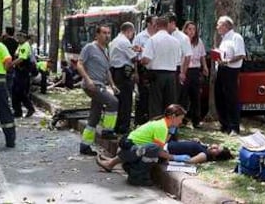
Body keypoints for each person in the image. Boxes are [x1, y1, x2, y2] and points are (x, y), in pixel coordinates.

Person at [95, 104, 189, 186]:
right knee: (155, 149)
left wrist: (170, 132)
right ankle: (137, 175)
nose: (181, 122)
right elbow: (159, 150)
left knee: (159, 153)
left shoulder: (162, 124)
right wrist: (176, 158)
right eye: (180, 119)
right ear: (173, 116)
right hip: (129, 150)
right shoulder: (162, 127)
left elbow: (162, 144)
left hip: (129, 149)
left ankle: (124, 167)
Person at [77, 25, 119, 156]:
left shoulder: (106, 50)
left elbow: (107, 71)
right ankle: (107, 130)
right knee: (113, 102)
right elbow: (79, 64)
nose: (107, 35)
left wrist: (112, 85)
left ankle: (85, 145)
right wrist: (87, 79)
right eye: (104, 33)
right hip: (92, 85)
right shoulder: (89, 47)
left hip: (101, 85)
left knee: (94, 116)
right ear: (97, 35)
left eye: (109, 33)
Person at [141, 16, 181, 119]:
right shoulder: (175, 41)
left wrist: (142, 62)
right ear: (167, 25)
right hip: (171, 74)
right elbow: (178, 60)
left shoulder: (152, 40)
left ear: (156, 26)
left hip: (156, 75)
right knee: (170, 104)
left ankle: (156, 129)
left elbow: (146, 59)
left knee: (155, 103)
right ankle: (171, 130)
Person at [215, 16, 246, 136]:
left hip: (231, 70)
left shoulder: (236, 37)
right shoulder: (224, 39)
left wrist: (227, 61)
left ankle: (234, 127)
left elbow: (241, 55)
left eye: (219, 25)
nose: (217, 27)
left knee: (231, 98)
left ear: (225, 26)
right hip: (222, 69)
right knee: (220, 97)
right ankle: (224, 124)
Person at [109, 22, 137, 134]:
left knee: (118, 99)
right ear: (128, 31)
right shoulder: (125, 42)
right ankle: (124, 126)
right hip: (124, 73)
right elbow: (134, 57)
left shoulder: (113, 41)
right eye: (132, 33)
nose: (132, 36)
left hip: (115, 72)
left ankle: (116, 124)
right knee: (126, 101)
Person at [180, 21, 208, 128]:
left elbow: (202, 56)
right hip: (184, 70)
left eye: (194, 29)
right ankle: (182, 120)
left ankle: (196, 120)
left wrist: (204, 66)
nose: (191, 32)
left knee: (195, 96)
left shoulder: (198, 42)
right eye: (189, 29)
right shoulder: (182, 40)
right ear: (185, 29)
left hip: (195, 70)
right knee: (183, 96)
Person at [133, 15, 157, 125]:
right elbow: (134, 55)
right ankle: (139, 119)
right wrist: (136, 71)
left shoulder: (159, 35)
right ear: (148, 23)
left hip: (155, 68)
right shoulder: (140, 37)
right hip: (143, 68)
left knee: (154, 95)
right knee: (143, 94)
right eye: (154, 21)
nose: (156, 23)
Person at [11, 31, 36, 118]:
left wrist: (11, 64)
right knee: (14, 92)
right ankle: (17, 111)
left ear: (25, 37)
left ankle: (30, 108)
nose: (18, 37)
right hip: (17, 71)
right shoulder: (20, 46)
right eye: (17, 35)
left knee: (20, 92)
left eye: (20, 36)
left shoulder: (25, 46)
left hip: (23, 72)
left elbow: (22, 58)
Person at [167, 140, 233, 164]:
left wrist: (174, 157)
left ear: (215, 156)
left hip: (167, 150)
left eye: (217, 150)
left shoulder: (204, 155)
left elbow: (189, 161)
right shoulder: (205, 148)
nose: (214, 147)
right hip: (168, 143)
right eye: (217, 146)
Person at [1, 27, 18, 98]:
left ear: (6, 32)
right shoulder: (16, 43)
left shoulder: (3, 42)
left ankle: (3, 97)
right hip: (11, 64)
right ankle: (10, 98)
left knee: (2, 83)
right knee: (10, 83)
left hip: (3, 64)